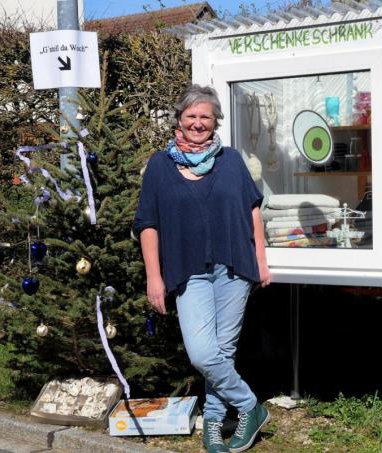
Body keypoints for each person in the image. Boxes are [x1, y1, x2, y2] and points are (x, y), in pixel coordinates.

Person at [133, 84, 271, 453]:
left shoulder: (230, 160)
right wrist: (154, 276)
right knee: (202, 353)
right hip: (187, 271)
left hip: (234, 269)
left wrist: (260, 259)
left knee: (221, 354)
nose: (197, 123)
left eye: (205, 117)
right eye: (191, 116)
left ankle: (212, 423)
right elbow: (148, 223)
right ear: (179, 119)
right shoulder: (160, 166)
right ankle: (249, 406)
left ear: (215, 122)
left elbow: (252, 211)